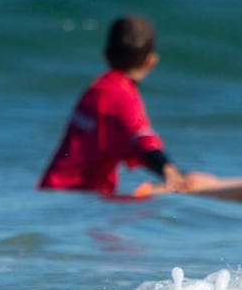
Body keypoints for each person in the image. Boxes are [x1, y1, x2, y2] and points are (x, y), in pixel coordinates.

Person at [38, 15, 192, 197]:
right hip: (82, 200)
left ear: (106, 55)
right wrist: (169, 171)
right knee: (192, 183)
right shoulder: (123, 96)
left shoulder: (95, 90)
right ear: (151, 61)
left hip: (50, 193)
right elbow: (143, 139)